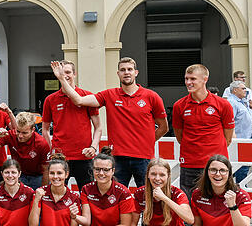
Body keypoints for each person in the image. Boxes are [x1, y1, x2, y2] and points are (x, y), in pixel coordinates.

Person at [51, 58, 167, 189]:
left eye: (130, 69)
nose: (126, 72)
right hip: (118, 158)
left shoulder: (151, 96)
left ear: (136, 72)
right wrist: (62, 79)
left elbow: (164, 127)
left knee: (148, 196)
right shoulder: (109, 95)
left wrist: (148, 141)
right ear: (118, 73)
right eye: (123, 70)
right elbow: (78, 100)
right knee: (116, 198)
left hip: (144, 158)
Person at [172, 64, 234, 202]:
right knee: (188, 203)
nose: (188, 82)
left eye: (193, 79)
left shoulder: (223, 104)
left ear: (205, 79)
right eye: (186, 79)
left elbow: (228, 137)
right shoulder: (179, 106)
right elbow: (179, 136)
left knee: (218, 203)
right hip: (190, 163)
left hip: (216, 165)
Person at [41, 60, 102, 189]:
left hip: (84, 156)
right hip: (61, 158)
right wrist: (51, 149)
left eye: (68, 72)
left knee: (88, 195)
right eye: (61, 73)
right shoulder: (50, 100)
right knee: (58, 195)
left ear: (75, 74)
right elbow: (45, 129)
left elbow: (98, 127)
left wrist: (93, 147)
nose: (65, 76)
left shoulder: (86, 96)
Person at [0, 112, 51, 190]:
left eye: (24, 133)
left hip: (37, 176)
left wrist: (43, 190)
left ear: (33, 130)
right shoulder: (10, 135)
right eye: (18, 131)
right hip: (19, 175)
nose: (20, 136)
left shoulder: (41, 143)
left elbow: (46, 170)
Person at [227, 80, 252, 184]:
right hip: (238, 143)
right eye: (243, 88)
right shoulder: (232, 102)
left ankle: (237, 190)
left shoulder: (243, 102)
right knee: (241, 169)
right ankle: (242, 192)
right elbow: (229, 123)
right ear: (235, 90)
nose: (246, 90)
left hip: (247, 141)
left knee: (242, 168)